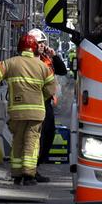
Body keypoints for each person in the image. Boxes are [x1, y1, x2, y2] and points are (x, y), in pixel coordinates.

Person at [0, 33, 56, 185]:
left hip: (17, 111)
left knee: (17, 141)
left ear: (19, 48)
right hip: (36, 112)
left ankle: (17, 174)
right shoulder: (43, 66)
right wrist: (40, 96)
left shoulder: (10, 63)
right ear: (34, 49)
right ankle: (29, 175)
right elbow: (51, 89)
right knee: (32, 143)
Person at [28, 29, 70, 183]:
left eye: (43, 43)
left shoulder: (46, 58)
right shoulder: (28, 60)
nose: (42, 45)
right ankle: (30, 170)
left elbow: (62, 71)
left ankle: (36, 165)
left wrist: (54, 56)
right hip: (34, 102)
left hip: (46, 103)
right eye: (39, 42)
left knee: (48, 133)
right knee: (35, 138)